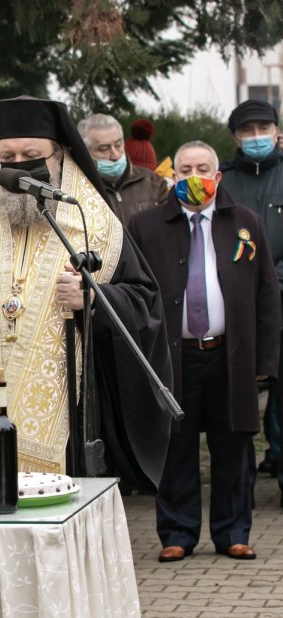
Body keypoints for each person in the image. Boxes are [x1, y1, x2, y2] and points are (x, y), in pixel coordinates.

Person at [0, 96, 172, 486]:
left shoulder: (95, 225)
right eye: (7, 156)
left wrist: (94, 299)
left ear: (59, 157)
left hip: (69, 418)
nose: (19, 165)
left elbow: (144, 300)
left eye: (32, 155)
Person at [127, 140, 279, 563]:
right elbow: (136, 293)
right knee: (176, 447)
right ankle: (178, 533)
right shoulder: (147, 227)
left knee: (234, 446)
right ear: (172, 176)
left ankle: (233, 532)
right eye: (185, 169)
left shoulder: (245, 223)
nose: (194, 177)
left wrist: (265, 361)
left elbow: (267, 296)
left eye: (203, 168)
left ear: (218, 176)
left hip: (231, 356)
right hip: (173, 358)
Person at [218, 100, 283, 486]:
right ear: (236, 137)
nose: (257, 136)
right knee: (237, 397)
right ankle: (236, 484)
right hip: (235, 306)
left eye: (264, 128)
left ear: (277, 131)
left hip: (281, 299)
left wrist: (271, 283)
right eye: (248, 130)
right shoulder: (223, 181)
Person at [77, 113, 170, 226]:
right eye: (104, 149)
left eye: (118, 145)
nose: (115, 155)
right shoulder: (76, 189)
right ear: (85, 152)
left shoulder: (154, 183)